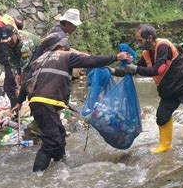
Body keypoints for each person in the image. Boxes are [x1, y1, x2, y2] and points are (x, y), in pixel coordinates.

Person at [13, 33, 130, 172]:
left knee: (59, 135)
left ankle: (61, 166)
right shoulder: (66, 56)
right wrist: (115, 57)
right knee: (52, 142)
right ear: (60, 46)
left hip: (38, 103)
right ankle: (37, 176)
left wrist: (19, 101)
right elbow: (91, 60)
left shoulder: (38, 61)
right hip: (46, 103)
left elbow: (26, 83)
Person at [116, 24, 183, 158]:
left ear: (149, 38)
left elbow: (158, 69)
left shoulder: (163, 46)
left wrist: (136, 69)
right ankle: (165, 145)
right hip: (169, 89)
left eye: (140, 40)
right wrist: (114, 71)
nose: (138, 44)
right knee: (162, 117)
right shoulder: (146, 54)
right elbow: (134, 69)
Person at [0, 24, 41, 90]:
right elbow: (12, 59)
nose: (8, 43)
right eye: (6, 41)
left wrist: (21, 84)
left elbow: (25, 65)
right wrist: (16, 74)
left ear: (15, 34)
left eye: (9, 40)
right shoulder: (8, 42)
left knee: (30, 74)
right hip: (21, 52)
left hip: (38, 53)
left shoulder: (25, 43)